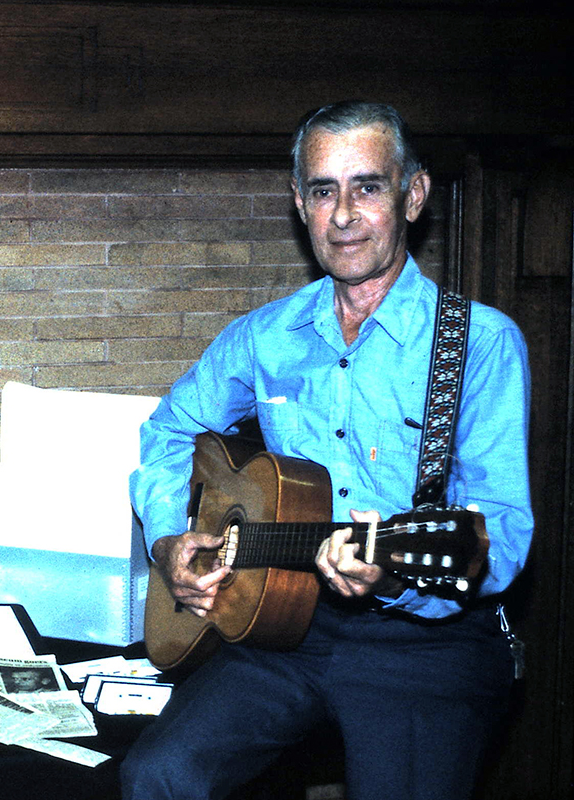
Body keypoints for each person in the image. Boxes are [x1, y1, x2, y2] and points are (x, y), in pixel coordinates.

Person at [121, 100, 533, 800]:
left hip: (425, 646)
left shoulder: (480, 343)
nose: (343, 213)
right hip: (282, 630)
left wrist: (395, 577)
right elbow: (169, 431)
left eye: (367, 186)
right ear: (299, 203)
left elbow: (505, 529)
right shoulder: (263, 335)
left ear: (414, 195)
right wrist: (168, 541)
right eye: (322, 190)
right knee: (158, 776)